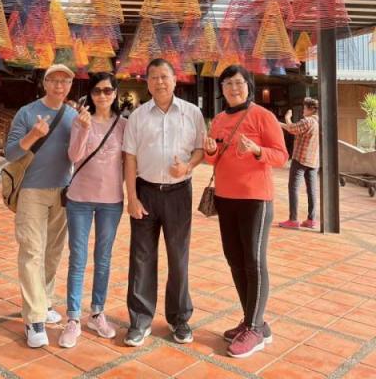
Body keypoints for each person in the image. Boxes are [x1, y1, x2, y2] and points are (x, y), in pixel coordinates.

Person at [204, 65, 288, 359]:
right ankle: (255, 321)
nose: (233, 88)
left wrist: (257, 150)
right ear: (222, 89)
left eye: (238, 83)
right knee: (235, 260)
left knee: (253, 261)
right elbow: (212, 158)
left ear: (248, 86)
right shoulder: (219, 119)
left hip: (255, 199)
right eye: (227, 84)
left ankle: (254, 328)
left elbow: (281, 156)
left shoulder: (262, 116)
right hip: (225, 198)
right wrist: (210, 151)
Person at [123, 58, 206, 347]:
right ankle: (140, 320)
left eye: (164, 76)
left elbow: (200, 150)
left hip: (179, 193)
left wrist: (188, 167)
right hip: (145, 192)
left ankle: (179, 318)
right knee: (141, 257)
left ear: (174, 79)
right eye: (154, 77)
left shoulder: (192, 113)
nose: (159, 82)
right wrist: (132, 198)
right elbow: (130, 158)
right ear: (147, 82)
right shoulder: (137, 117)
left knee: (178, 256)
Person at [5, 64, 78, 348]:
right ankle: (34, 319)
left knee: (53, 252)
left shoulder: (73, 116)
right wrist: (33, 135)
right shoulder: (27, 113)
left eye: (65, 81)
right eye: (54, 80)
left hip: (62, 192)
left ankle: (44, 301)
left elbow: (78, 154)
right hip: (31, 191)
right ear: (44, 83)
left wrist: (85, 130)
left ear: (70, 85)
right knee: (32, 251)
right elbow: (10, 153)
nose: (59, 86)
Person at [59, 72, 126, 348]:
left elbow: (129, 161)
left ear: (115, 93)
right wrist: (84, 128)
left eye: (107, 90)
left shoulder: (124, 125)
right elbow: (74, 157)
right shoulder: (80, 120)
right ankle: (73, 318)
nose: (102, 95)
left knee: (103, 258)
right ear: (90, 94)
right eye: (97, 91)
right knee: (78, 258)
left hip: (111, 200)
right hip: (80, 199)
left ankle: (97, 313)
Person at [279, 98, 320, 230]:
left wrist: (287, 118)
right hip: (314, 161)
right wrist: (281, 123)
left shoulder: (308, 121)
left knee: (294, 188)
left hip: (300, 159)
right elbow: (294, 129)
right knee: (312, 190)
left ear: (311, 109)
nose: (303, 110)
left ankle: (293, 219)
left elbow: (292, 129)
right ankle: (311, 220)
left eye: (305, 108)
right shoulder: (319, 122)